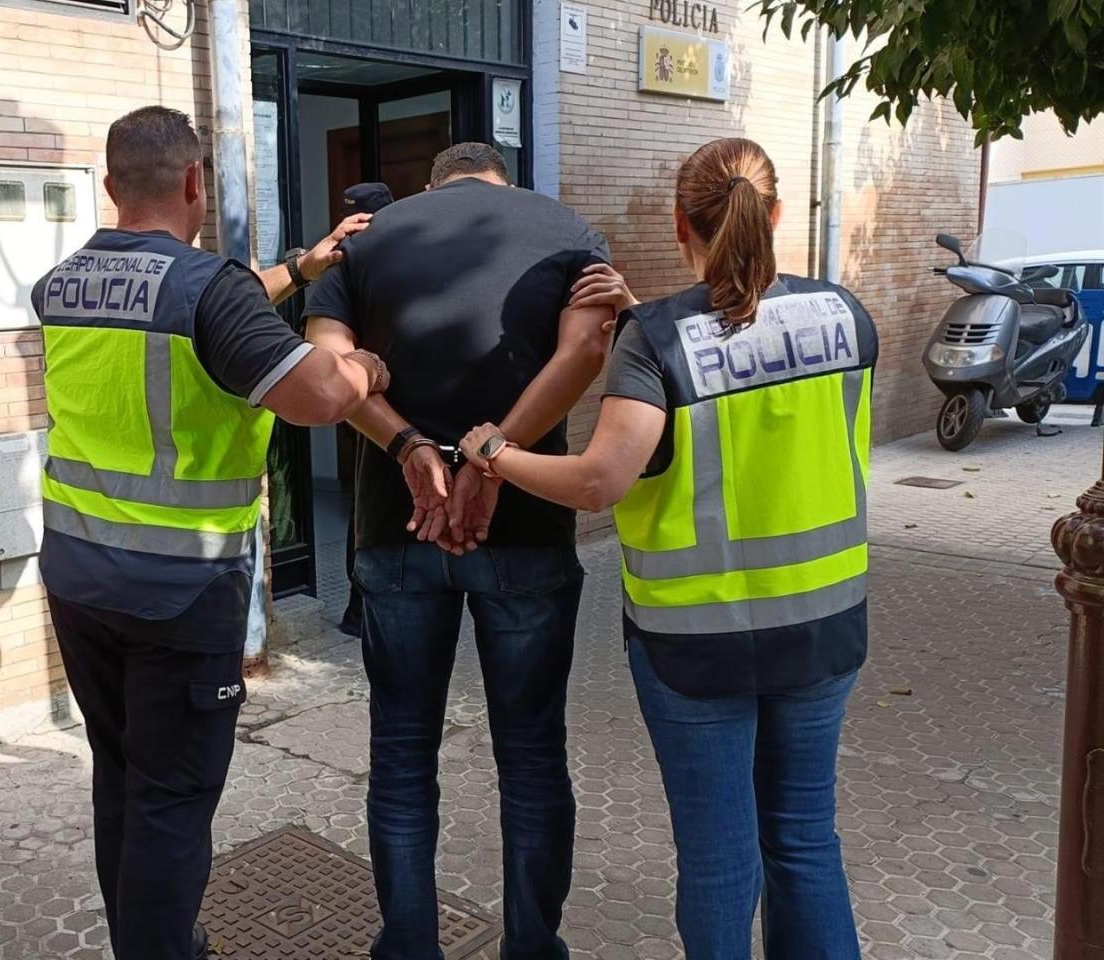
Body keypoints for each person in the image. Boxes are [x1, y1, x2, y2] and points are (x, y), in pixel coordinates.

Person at [459, 137, 875, 960]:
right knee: (804, 841)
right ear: (778, 215)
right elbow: (748, 350)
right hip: (826, 630)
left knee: (721, 861)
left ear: (679, 220)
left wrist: (492, 452)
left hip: (699, 646)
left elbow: (598, 482)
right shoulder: (845, 313)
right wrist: (651, 316)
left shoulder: (656, 340)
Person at [32, 105, 391, 960]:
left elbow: (193, 309)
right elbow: (318, 398)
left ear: (112, 185)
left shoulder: (64, 280)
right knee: (173, 804)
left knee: (122, 781)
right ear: (197, 183)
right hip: (180, 593)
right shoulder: (207, 291)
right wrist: (363, 366)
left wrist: (300, 269)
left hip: (80, 579)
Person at [304, 143, 627, 960]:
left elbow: (326, 371)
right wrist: (491, 456)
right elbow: (587, 350)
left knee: (403, 757)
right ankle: (532, 948)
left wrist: (413, 447)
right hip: (524, 528)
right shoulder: (562, 228)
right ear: (502, 179)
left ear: (435, 184)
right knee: (530, 756)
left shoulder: (367, 239)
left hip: (397, 526)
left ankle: (409, 947)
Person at [333, 182, 395, 638]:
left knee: (367, 505)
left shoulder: (344, 258)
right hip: (377, 398)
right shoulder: (396, 256)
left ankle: (361, 611)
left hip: (359, 398)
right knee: (374, 506)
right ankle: (363, 609)